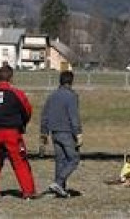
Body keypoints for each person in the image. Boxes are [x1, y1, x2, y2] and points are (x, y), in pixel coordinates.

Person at [0, 63, 36, 199]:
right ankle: (28, 191)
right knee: (20, 161)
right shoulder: (16, 93)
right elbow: (27, 110)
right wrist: (23, 123)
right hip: (12, 133)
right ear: (11, 77)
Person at [39, 70, 83, 198]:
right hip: (67, 132)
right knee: (74, 159)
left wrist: (44, 134)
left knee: (60, 160)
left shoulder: (52, 96)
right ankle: (58, 182)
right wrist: (78, 133)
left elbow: (45, 116)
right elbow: (74, 116)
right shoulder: (72, 96)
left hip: (54, 132)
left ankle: (60, 189)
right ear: (71, 82)